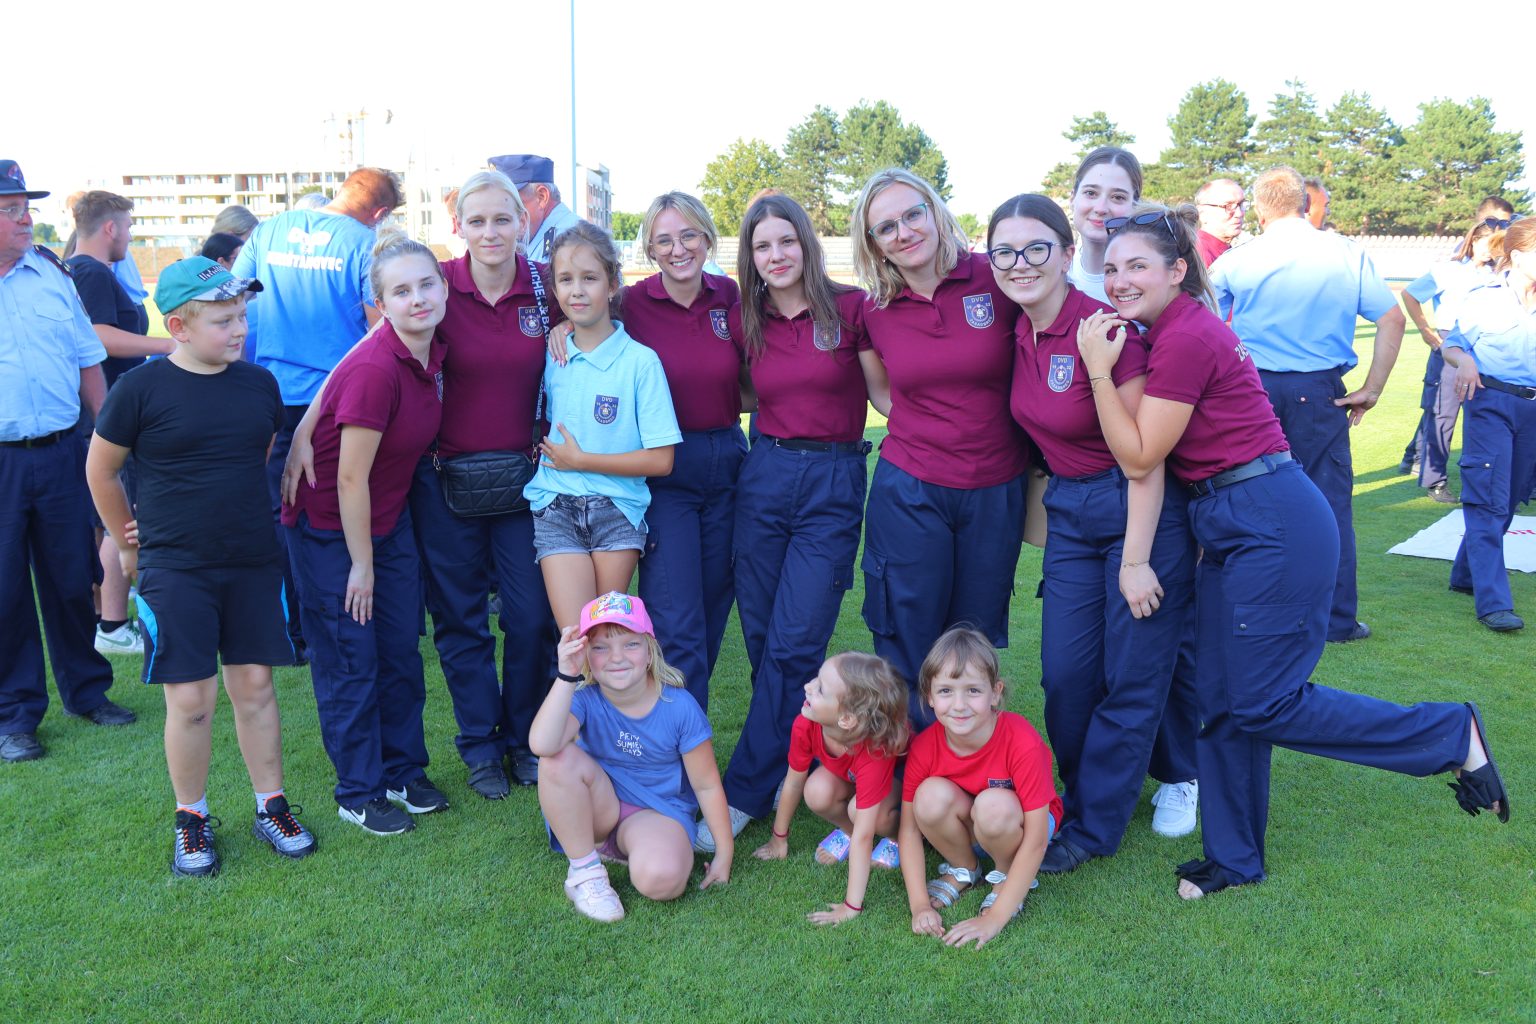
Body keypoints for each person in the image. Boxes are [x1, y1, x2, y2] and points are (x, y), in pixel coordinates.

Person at [1076, 201, 1510, 899]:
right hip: (1237, 521)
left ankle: (1448, 734)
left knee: (1263, 702)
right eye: (1113, 266)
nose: (1120, 279)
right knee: (1220, 700)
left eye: (1138, 266)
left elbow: (1141, 454)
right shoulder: (1167, 331)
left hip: (1269, 522)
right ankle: (1235, 858)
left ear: (1177, 270)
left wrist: (1096, 370)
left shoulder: (1184, 336)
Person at [987, 194, 1199, 873]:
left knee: (1131, 676)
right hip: (1072, 515)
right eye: (1005, 252)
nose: (1020, 264)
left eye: (1036, 248)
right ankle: (1088, 792)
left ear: (1067, 253)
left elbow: (1145, 457)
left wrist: (1137, 559)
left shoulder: (1103, 329)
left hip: (1139, 510)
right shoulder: (1016, 330)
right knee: (1068, 678)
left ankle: (1090, 826)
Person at [85, 256, 316, 876]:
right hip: (175, 568)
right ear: (180, 327)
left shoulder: (258, 385)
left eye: (241, 317)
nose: (239, 330)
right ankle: (191, 816)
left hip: (251, 561)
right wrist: (127, 546)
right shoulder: (140, 389)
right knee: (190, 699)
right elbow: (101, 470)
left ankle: (272, 804)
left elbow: (252, 454)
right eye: (223, 321)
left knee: (257, 689)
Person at [712, 194, 883, 841]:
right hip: (763, 476)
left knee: (793, 644)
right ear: (749, 257)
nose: (776, 255)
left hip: (833, 481)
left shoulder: (850, 310)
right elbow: (745, 392)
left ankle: (740, 795)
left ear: (806, 243)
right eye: (762, 246)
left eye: (786, 241)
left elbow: (886, 395)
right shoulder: (743, 319)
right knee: (762, 640)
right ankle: (800, 758)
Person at [554, 193, 746, 720]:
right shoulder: (634, 304)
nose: (678, 248)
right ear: (650, 249)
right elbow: (583, 308)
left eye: (688, 235)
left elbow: (752, 379)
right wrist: (561, 329)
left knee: (711, 612)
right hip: (666, 474)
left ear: (707, 237)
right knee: (676, 621)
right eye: (664, 239)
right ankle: (678, 756)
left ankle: (689, 730)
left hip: (727, 459)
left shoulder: (731, 296)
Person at [281, 230, 448, 835]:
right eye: (401, 292)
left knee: (401, 649)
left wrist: (306, 421)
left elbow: (346, 365)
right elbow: (350, 479)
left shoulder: (427, 343)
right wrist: (362, 565)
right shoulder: (379, 368)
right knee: (352, 657)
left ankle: (403, 773)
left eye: (426, 284)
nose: (418, 299)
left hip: (390, 519)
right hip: (333, 529)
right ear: (381, 304)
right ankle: (359, 789)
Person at [849, 167, 1026, 726]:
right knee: (907, 639)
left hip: (994, 489)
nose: (903, 232)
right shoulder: (871, 307)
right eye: (885, 227)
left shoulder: (995, 278)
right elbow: (881, 390)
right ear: (872, 243)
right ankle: (907, 783)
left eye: (911, 215)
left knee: (970, 645)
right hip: (911, 489)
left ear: (934, 211)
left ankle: (966, 778)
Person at [1209, 166, 1406, 644]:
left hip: (1250, 390)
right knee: (1329, 505)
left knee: (1244, 498)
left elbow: (1203, 319)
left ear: (1259, 208)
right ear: (1305, 204)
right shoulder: (1344, 252)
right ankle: (1336, 620)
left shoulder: (1242, 257)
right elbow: (1392, 318)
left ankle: (1249, 610)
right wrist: (1372, 388)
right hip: (1320, 392)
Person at [235, 167, 404, 660]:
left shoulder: (269, 229)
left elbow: (235, 296)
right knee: (335, 510)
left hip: (267, 393)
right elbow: (383, 328)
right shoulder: (362, 242)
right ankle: (339, 614)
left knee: (281, 512)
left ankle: (293, 626)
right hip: (335, 401)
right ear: (380, 214)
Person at [0, 159, 135, 765]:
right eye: (9, 208)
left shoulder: (51, 275)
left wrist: (112, 433)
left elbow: (87, 357)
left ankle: (88, 691)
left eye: (24, 206)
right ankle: (15, 714)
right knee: (4, 593)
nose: (26, 217)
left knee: (73, 575)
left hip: (60, 453)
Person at [529, 592, 732, 923]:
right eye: (600, 647)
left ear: (650, 649)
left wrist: (724, 853)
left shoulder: (679, 707)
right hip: (598, 806)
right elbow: (541, 744)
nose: (616, 657)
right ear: (586, 655)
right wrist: (567, 675)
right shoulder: (585, 699)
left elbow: (707, 786)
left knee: (661, 880)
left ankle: (620, 852)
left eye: (630, 644)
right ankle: (586, 872)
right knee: (555, 757)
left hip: (656, 813)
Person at [524, 222, 681, 630]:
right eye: (566, 280)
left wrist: (582, 460)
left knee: (606, 634)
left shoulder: (640, 362)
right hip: (556, 504)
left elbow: (662, 460)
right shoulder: (551, 352)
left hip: (617, 510)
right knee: (575, 638)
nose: (577, 290)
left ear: (612, 284)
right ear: (555, 289)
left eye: (590, 278)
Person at [898, 629, 1063, 950]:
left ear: (995, 693)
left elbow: (1038, 837)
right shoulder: (924, 747)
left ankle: (1005, 877)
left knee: (993, 805)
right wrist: (918, 904)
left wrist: (994, 918)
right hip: (972, 825)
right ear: (929, 697)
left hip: (1021, 825)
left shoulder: (1021, 740)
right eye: (946, 690)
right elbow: (908, 831)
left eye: (973, 690)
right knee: (928, 796)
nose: (959, 705)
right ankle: (964, 867)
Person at [66, 191, 175, 658]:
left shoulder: (76, 269)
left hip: (100, 413)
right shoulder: (90, 270)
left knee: (106, 520)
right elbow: (98, 337)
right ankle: (112, 624)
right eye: (128, 227)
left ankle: (104, 616)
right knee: (119, 520)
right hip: (107, 413)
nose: (130, 236)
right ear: (110, 228)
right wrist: (171, 345)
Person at [752, 652, 909, 927]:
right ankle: (844, 831)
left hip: (899, 783)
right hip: (851, 777)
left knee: (867, 816)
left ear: (846, 719)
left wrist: (851, 907)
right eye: (816, 680)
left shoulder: (875, 750)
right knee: (816, 790)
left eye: (820, 689)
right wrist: (779, 838)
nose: (808, 687)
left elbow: (865, 834)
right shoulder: (807, 722)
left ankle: (896, 839)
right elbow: (794, 781)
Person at [1441, 218, 1536, 632]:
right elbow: (1453, 344)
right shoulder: (1485, 299)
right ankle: (1493, 603)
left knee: (1511, 496)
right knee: (1488, 499)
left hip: (1532, 410)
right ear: (1517, 256)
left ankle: (1465, 574)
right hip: (1491, 402)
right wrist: (1463, 361)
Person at [1399, 220, 1499, 503]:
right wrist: (1425, 330)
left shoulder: (1498, 275)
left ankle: (1480, 479)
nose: (1490, 250)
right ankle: (1435, 481)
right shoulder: (1448, 269)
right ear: (1474, 240)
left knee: (1483, 416)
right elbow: (1410, 294)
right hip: (1449, 348)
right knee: (1443, 415)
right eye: (1486, 243)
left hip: (1485, 350)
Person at [1066, 147, 1142, 302]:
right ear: (1073, 198)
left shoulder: (1152, 281)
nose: (1101, 208)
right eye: (1091, 193)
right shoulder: (1053, 276)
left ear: (1135, 206)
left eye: (1117, 197)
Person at [487, 154, 582, 265]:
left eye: (512, 205)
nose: (503, 216)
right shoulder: (546, 238)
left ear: (542, 197)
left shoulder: (571, 241)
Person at [1194, 178, 1245, 267]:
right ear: (1202, 213)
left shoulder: (1226, 252)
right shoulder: (1198, 254)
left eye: (1241, 205)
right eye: (1228, 206)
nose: (1239, 213)